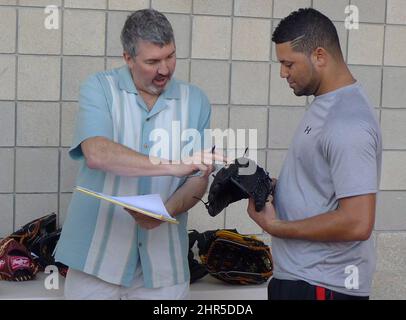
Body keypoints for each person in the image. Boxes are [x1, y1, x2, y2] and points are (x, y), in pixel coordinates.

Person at [55, 9, 222, 300]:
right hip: (95, 263)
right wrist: (173, 167)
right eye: (152, 61)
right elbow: (96, 152)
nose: (165, 69)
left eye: (170, 56)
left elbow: (198, 179)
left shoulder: (196, 101)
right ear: (128, 58)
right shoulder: (99, 88)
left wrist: (165, 213)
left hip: (164, 269)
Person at [247, 8, 382, 300]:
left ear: (319, 56)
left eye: (288, 63)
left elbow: (358, 222)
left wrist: (276, 227)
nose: (283, 73)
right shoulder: (326, 105)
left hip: (323, 285)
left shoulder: (348, 122)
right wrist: (269, 187)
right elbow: (319, 189)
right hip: (299, 278)